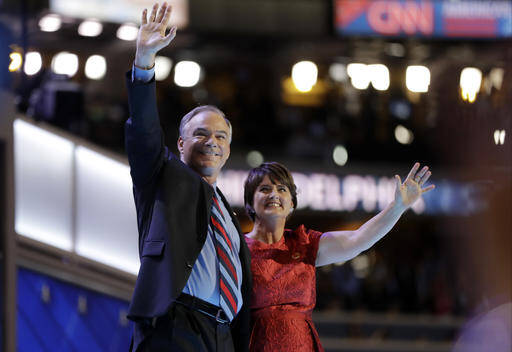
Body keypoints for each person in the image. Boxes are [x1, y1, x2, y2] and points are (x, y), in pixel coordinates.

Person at [125, 3, 251, 351]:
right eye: (201, 134)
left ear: (228, 150)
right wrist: (144, 61)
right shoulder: (161, 177)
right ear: (180, 143)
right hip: (177, 326)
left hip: (223, 334)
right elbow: (144, 132)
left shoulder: (226, 210)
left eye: (221, 137)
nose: (212, 142)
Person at [243, 161, 434, 351]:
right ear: (250, 203)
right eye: (265, 189)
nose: (274, 194)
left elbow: (358, 238)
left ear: (292, 204)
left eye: (282, 189)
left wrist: (397, 207)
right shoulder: (237, 247)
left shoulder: (304, 244)